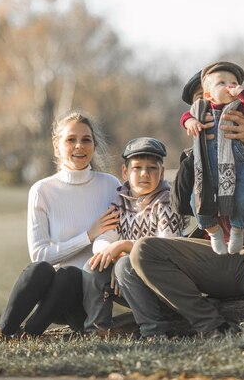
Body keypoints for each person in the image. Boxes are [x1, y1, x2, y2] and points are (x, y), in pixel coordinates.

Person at [127, 69, 244, 337]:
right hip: (221, 258)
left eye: (219, 92)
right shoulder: (197, 146)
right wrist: (199, 151)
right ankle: (212, 326)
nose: (208, 106)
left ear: (234, 91)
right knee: (143, 250)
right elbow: (181, 205)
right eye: (200, 103)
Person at [0, 110, 121, 342]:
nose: (79, 146)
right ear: (57, 147)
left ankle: (30, 334)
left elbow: (119, 237)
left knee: (70, 274)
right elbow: (39, 254)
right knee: (40, 269)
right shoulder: (42, 191)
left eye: (86, 140)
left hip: (87, 298)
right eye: (71, 140)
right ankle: (2, 332)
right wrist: (88, 235)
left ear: (94, 146)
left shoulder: (111, 186)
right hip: (51, 295)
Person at [82, 137, 182, 338]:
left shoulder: (167, 202)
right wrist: (115, 256)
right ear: (125, 172)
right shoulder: (121, 201)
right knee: (94, 265)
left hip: (163, 280)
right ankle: (98, 329)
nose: (144, 173)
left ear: (162, 173)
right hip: (130, 278)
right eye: (137, 168)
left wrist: (124, 251)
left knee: (125, 265)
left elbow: (165, 248)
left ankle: (153, 331)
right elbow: (104, 238)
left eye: (152, 168)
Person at [180, 61, 244, 255]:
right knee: (197, 202)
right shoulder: (201, 110)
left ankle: (237, 230)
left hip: (237, 166)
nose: (229, 86)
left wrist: (241, 92)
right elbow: (185, 117)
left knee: (243, 197)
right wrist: (191, 121)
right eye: (222, 83)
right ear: (208, 94)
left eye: (233, 82)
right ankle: (213, 231)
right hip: (208, 170)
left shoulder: (237, 109)